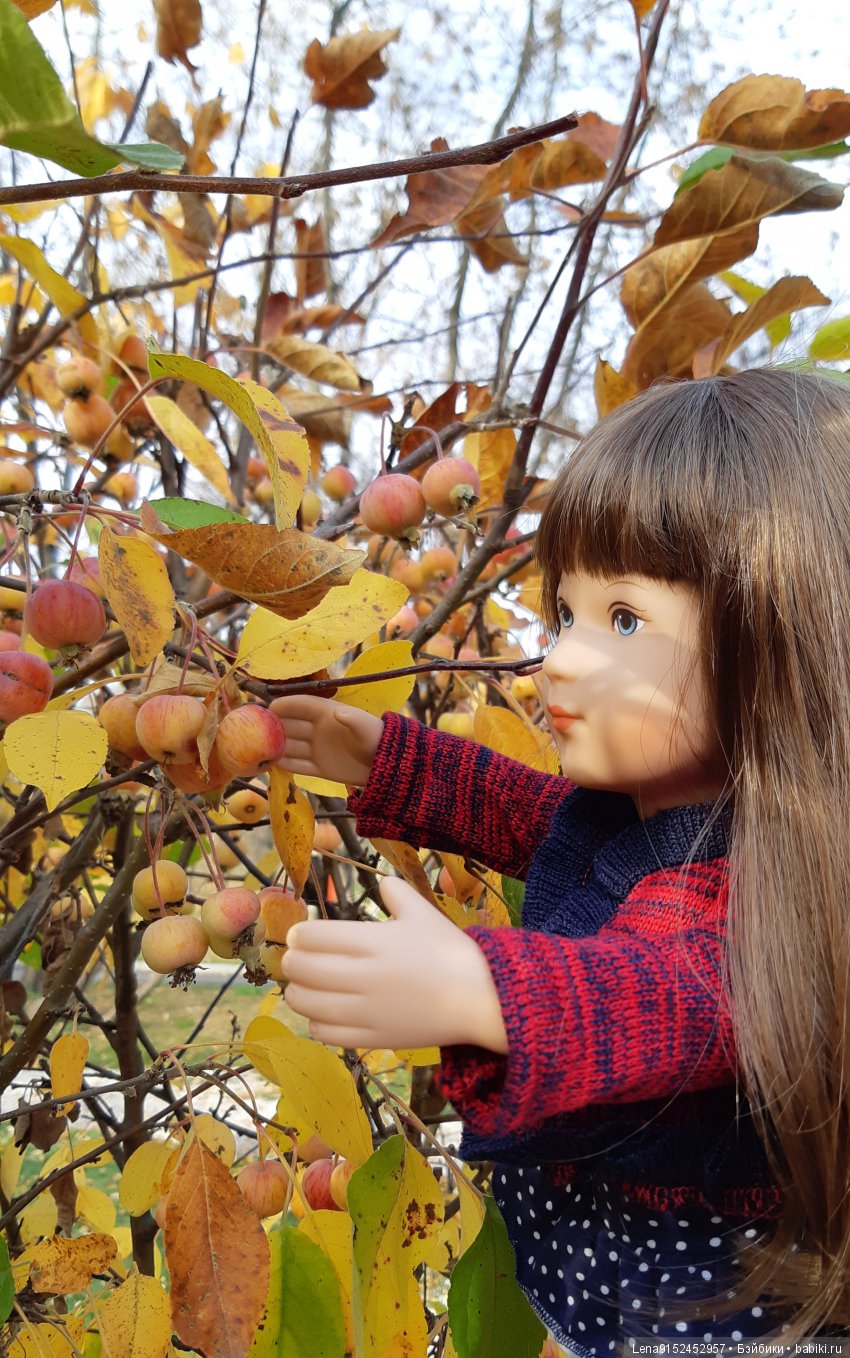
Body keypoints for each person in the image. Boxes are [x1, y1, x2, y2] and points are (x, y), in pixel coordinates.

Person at [272, 368, 850, 1353]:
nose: (560, 659)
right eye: (565, 613)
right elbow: (537, 820)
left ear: (783, 640)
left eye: (624, 619)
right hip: (598, 1272)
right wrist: (393, 762)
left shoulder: (771, 890)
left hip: (703, 1315)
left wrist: (485, 990)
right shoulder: (652, 810)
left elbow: (675, 994)